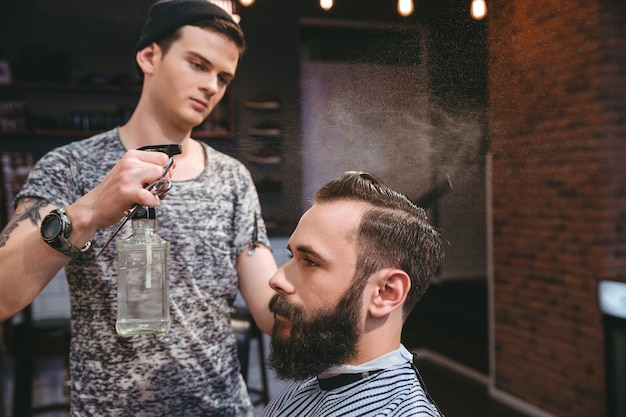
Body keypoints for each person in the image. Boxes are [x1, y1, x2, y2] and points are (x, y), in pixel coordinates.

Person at [0, 1, 277, 415]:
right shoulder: (70, 166)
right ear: (149, 56)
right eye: (198, 65)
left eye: (223, 77)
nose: (211, 87)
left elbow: (271, 311)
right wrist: (88, 211)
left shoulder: (232, 178)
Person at [263, 171, 446, 417]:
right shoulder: (318, 381)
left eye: (310, 261)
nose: (276, 280)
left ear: (386, 292)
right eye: (291, 257)